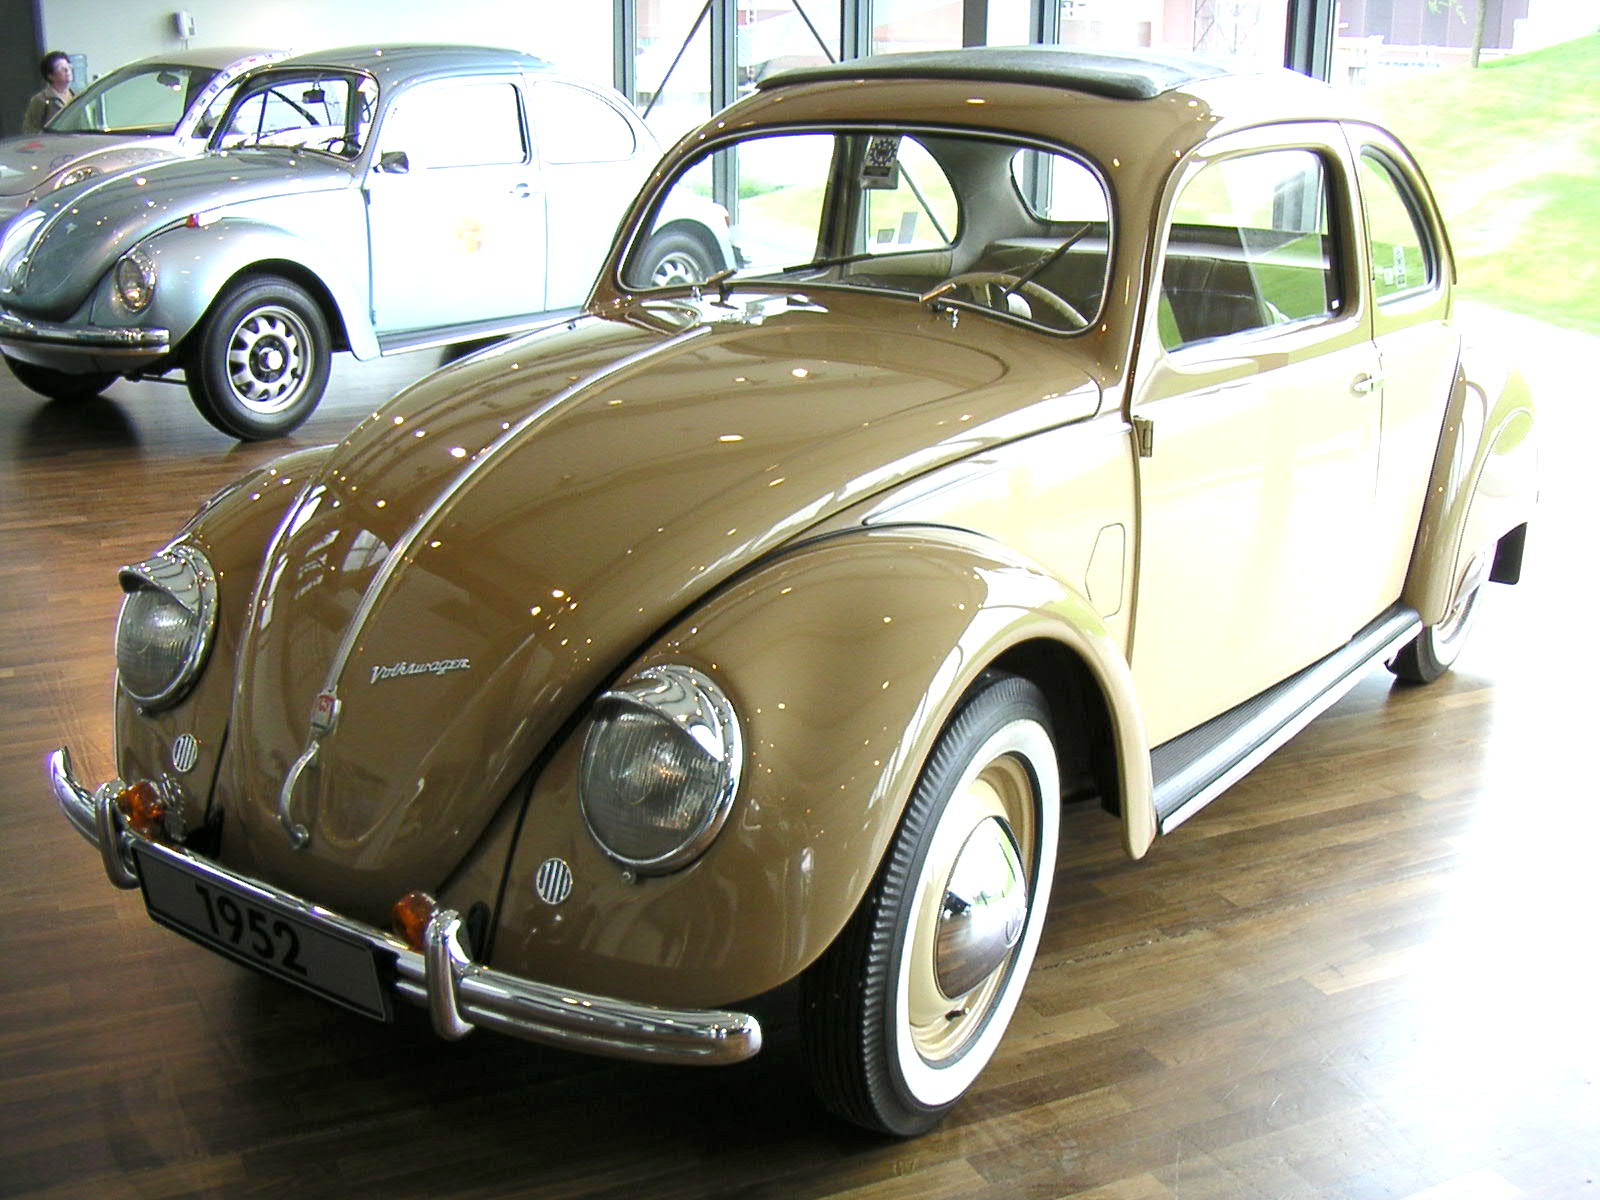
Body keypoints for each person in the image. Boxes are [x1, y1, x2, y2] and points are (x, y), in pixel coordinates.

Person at [22, 51, 74, 134]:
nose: (67, 70)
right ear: (50, 76)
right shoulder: (40, 100)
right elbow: (30, 130)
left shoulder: (77, 96)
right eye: (61, 68)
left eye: (68, 66)